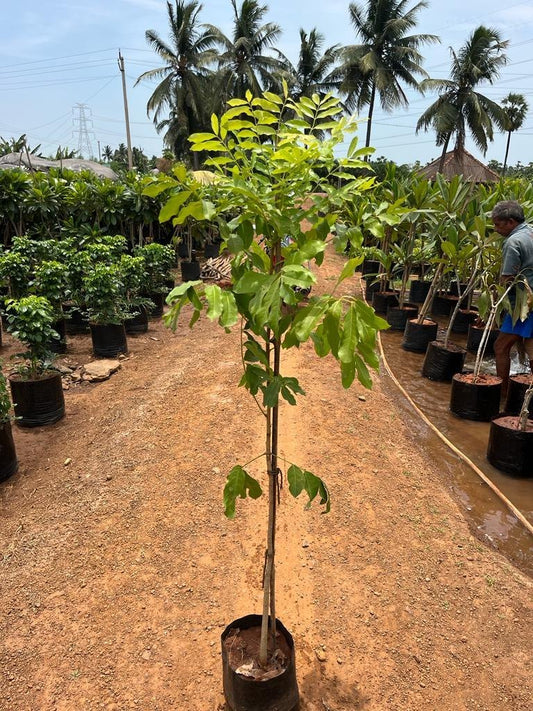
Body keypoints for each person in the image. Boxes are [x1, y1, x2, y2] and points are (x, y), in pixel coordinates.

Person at [491, 200, 533, 393]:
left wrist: (494, 303)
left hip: (525, 305)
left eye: (498, 224)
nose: (495, 229)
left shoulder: (513, 242)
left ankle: (501, 394)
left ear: (510, 222)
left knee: (500, 347)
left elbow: (507, 279)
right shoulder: (530, 231)